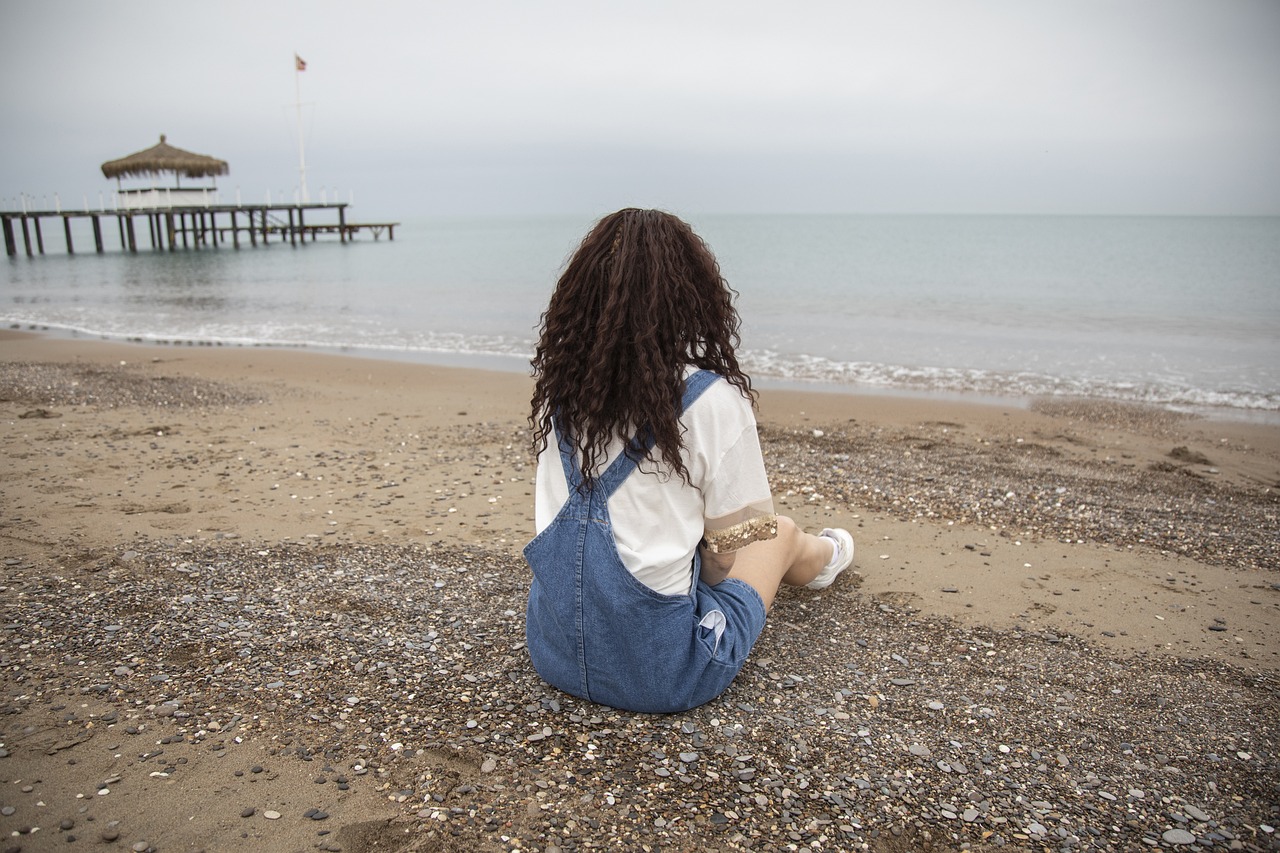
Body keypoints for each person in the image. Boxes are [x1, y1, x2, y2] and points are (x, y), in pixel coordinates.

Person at [525, 208, 854, 714]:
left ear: (583, 294)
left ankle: (819, 556)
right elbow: (723, 564)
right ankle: (825, 559)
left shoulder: (559, 394)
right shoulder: (709, 399)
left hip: (554, 654)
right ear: (691, 295)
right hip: (665, 676)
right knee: (778, 533)